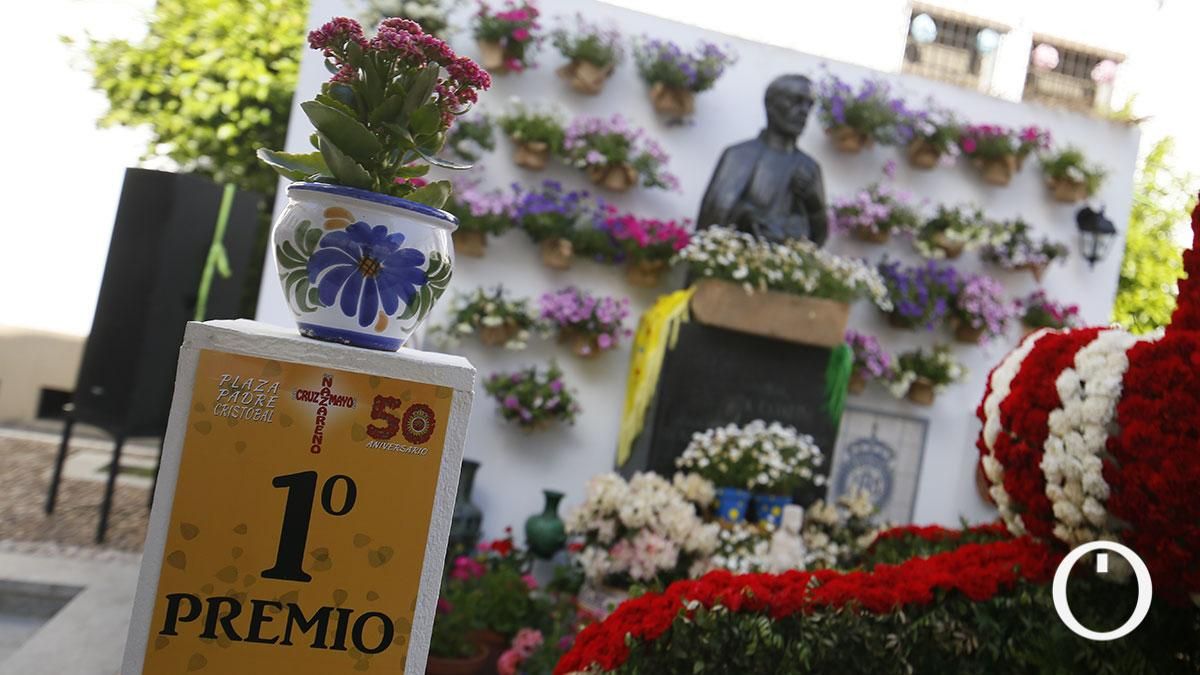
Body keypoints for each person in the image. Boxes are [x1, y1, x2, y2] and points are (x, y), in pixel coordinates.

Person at [697, 74, 829, 246]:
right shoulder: (739, 155)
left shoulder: (809, 167)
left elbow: (817, 240)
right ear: (770, 104)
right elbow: (712, 215)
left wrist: (814, 204)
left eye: (809, 105)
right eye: (796, 101)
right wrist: (746, 215)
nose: (804, 111)